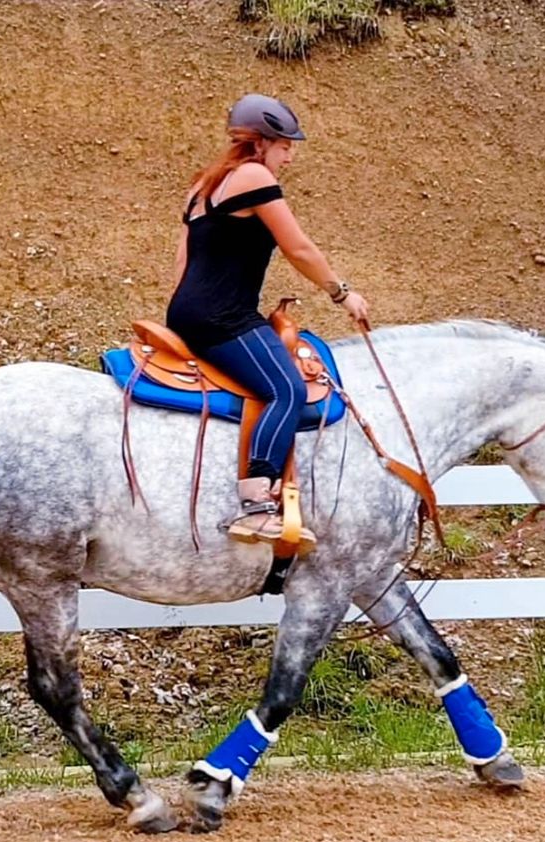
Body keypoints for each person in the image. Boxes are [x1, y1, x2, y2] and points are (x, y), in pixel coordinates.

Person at [166, 93, 370, 549]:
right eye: (284, 145)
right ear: (259, 143)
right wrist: (342, 293)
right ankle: (257, 504)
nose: (290, 155)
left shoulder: (201, 186)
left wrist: (184, 317)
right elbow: (298, 248)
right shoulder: (254, 176)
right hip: (224, 315)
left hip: (188, 312)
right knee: (288, 389)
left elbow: (183, 261)